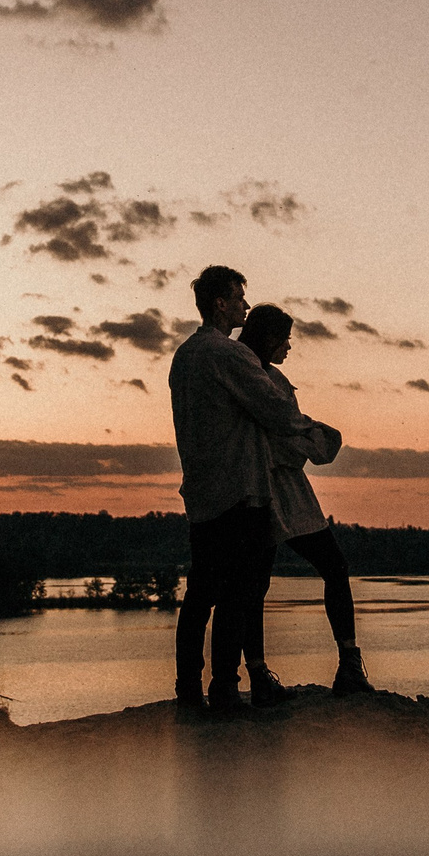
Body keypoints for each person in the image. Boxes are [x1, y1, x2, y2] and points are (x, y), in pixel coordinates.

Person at [168, 265, 320, 712]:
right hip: (240, 489)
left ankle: (188, 688)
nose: (245, 307)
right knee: (239, 594)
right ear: (220, 303)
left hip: (200, 491)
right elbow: (275, 410)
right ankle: (225, 688)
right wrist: (318, 432)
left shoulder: (183, 356)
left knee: (199, 595)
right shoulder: (229, 356)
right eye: (238, 298)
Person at [235, 304, 371, 695]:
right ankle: (261, 673)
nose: (289, 346)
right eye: (285, 338)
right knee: (259, 582)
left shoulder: (272, 379)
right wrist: (310, 440)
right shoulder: (255, 380)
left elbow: (290, 440)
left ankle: (345, 664)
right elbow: (286, 443)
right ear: (268, 338)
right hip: (265, 489)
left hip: (287, 493)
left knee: (323, 568)